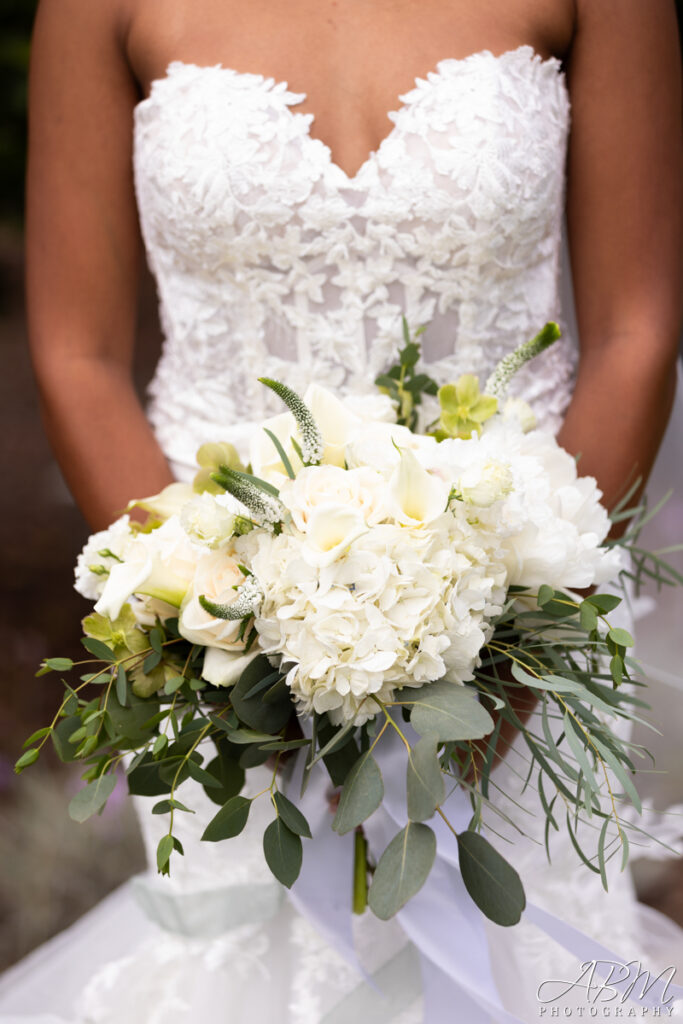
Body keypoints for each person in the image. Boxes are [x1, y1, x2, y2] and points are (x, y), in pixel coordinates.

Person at [1, 0, 682, 1020]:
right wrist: (215, 628)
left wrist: (516, 649)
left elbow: (635, 327)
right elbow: (77, 353)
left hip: (531, 626)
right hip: (216, 657)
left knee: (530, 959)